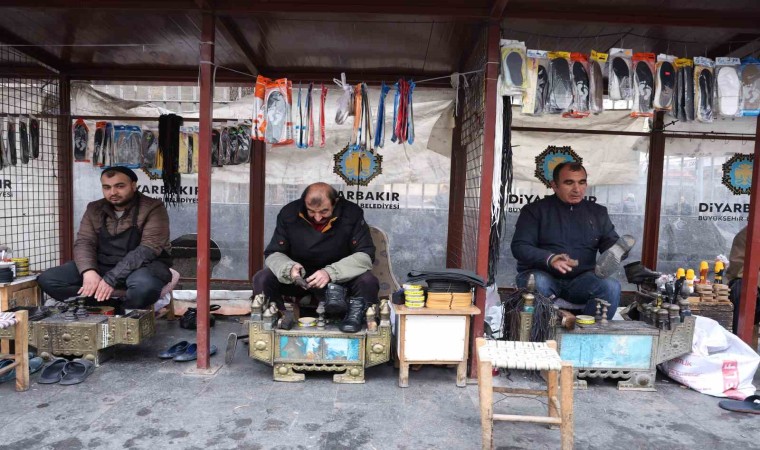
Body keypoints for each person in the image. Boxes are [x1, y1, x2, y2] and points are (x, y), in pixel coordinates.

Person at [38, 166, 172, 310]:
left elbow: (148, 249)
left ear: (133, 186)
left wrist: (111, 279)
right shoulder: (94, 209)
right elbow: (84, 242)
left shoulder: (153, 208)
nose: (113, 192)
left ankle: (126, 308)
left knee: (145, 289)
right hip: (103, 263)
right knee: (48, 279)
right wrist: (89, 271)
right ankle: (108, 307)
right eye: (107, 187)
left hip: (142, 266)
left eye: (120, 186)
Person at [252, 182, 378, 332]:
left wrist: (330, 273)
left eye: (324, 211)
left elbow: (365, 255)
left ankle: (358, 325)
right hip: (300, 278)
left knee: (368, 281)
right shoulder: (289, 213)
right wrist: (289, 269)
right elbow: (273, 253)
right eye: (311, 211)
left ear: (335, 202)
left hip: (340, 277)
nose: (317, 218)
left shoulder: (352, 213)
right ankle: (276, 320)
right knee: (262, 278)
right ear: (303, 203)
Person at [511, 162, 623, 319]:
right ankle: (545, 329)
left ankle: (589, 332)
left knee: (611, 286)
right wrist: (550, 258)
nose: (577, 189)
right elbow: (520, 247)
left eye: (581, 182)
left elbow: (610, 244)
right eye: (569, 183)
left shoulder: (598, 213)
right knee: (538, 282)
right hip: (543, 275)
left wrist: (618, 250)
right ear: (554, 185)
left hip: (581, 282)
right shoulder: (534, 211)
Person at [725, 226, 760, 333]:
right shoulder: (747, 234)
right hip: (752, 285)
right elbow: (739, 270)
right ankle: (739, 337)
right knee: (742, 288)